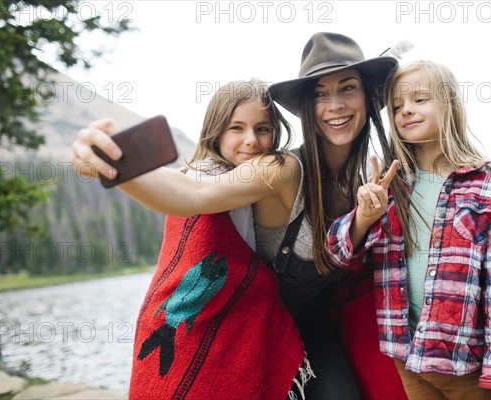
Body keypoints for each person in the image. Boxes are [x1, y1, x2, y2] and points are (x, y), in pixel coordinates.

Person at [72, 33, 491, 400]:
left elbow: (426, 227)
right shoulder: (281, 170)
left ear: (368, 98)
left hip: (328, 326)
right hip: (265, 328)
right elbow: (191, 193)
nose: (335, 105)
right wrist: (116, 165)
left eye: (347, 89)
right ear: (308, 109)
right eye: (321, 94)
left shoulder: (374, 173)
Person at [73, 79, 314, 399]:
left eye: (262, 129)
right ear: (216, 130)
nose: (251, 140)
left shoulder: (270, 170)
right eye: (236, 128)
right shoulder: (204, 174)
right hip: (187, 321)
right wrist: (113, 166)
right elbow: (188, 193)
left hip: (244, 319)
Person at [324, 60, 491, 400]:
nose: (406, 111)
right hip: (406, 356)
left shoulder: (489, 194)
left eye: (419, 99)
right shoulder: (390, 189)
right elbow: (334, 251)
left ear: (449, 105)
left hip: (464, 366)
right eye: (397, 106)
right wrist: (364, 216)